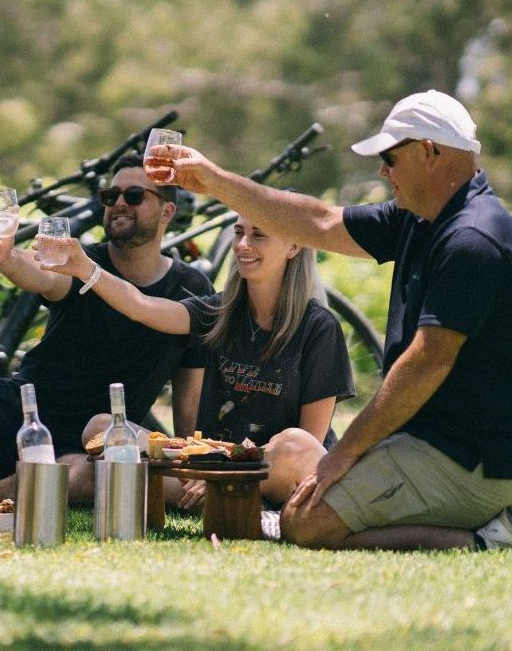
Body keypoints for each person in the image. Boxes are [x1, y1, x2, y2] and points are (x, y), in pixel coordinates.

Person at [155, 91, 512, 550]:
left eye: (390, 157)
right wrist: (214, 181)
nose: (383, 171)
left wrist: (343, 454)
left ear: (428, 152)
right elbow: (319, 222)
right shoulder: (422, 220)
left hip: (471, 462)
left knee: (305, 523)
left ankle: (489, 535)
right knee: (303, 503)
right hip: (434, 447)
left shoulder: (472, 239)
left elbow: (427, 364)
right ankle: (501, 519)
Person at [40, 213, 354, 508]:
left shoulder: (319, 328)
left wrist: (233, 468)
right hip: (205, 467)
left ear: (294, 246)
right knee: (102, 427)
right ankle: (221, 495)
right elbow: (141, 306)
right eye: (239, 233)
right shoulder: (219, 312)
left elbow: (310, 443)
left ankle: (217, 491)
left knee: (293, 444)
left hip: (273, 469)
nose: (243, 245)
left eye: (258, 235)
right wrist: (86, 269)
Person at [0, 155, 213, 502]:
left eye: (134, 195)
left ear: (167, 212)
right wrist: (6, 258)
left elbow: (189, 393)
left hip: (87, 440)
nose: (119, 203)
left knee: (88, 477)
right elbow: (44, 275)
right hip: (21, 407)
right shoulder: (82, 262)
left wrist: (192, 463)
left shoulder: (191, 286)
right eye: (110, 196)